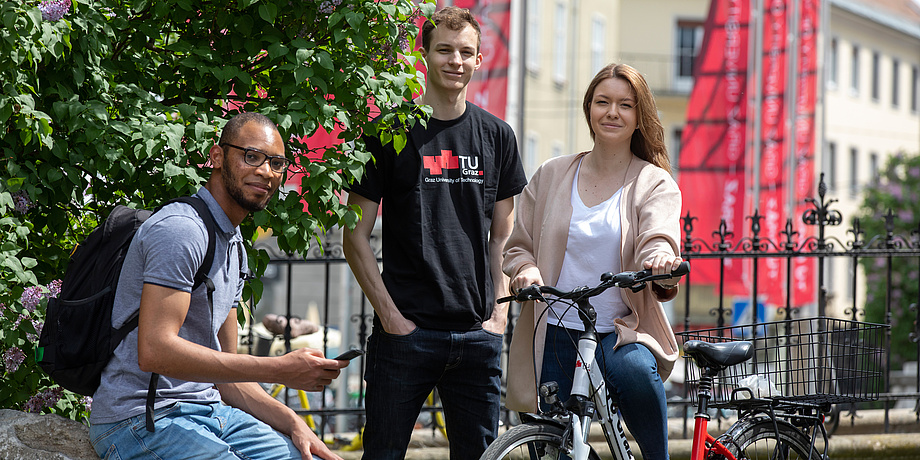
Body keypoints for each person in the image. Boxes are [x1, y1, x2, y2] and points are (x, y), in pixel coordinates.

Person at [88, 112, 349, 460]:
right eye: (251, 156)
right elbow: (154, 350)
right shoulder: (182, 231)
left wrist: (292, 421)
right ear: (216, 157)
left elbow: (228, 376)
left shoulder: (232, 241)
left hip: (212, 413)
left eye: (276, 163)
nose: (265, 172)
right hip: (142, 419)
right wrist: (279, 370)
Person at [342, 6, 527, 459]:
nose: (455, 61)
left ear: (479, 60)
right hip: (406, 335)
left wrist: (498, 319)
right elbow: (353, 236)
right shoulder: (389, 132)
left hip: (475, 336)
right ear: (423, 53)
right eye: (444, 50)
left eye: (466, 52)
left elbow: (504, 237)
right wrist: (390, 318)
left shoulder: (497, 136)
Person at [502, 63, 683, 460]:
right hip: (556, 328)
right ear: (589, 110)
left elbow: (658, 237)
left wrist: (658, 259)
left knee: (635, 373)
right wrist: (526, 269)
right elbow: (518, 245)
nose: (612, 112)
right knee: (551, 446)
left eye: (625, 104)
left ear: (639, 117)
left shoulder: (653, 183)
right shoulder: (551, 174)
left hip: (620, 330)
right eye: (603, 102)